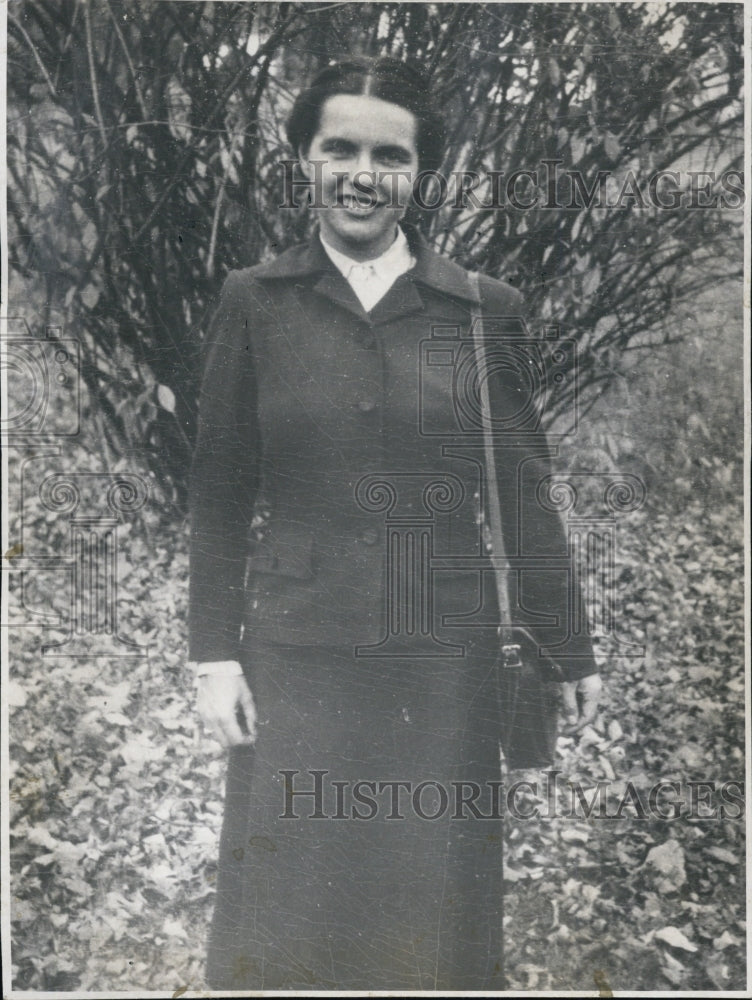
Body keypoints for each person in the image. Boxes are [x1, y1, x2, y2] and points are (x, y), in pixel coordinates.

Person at [188, 57, 601, 991]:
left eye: (390, 154)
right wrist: (212, 655)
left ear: (420, 174)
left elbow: (524, 490)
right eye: (339, 147)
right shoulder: (255, 302)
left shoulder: (482, 310)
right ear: (305, 157)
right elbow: (218, 491)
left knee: (430, 923)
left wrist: (568, 646)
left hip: (442, 665)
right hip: (297, 656)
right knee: (292, 913)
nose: (363, 173)